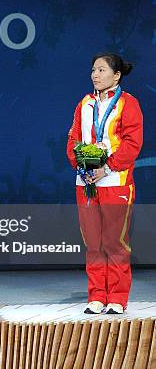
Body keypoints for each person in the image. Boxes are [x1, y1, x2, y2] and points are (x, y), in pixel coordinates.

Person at [66, 53, 143, 314]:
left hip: (115, 181)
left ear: (116, 75)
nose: (95, 75)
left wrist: (106, 167)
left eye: (101, 70)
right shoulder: (84, 104)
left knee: (115, 242)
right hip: (86, 182)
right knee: (93, 242)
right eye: (93, 70)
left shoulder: (128, 104)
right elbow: (73, 139)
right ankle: (97, 296)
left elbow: (133, 144)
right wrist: (81, 165)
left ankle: (118, 298)